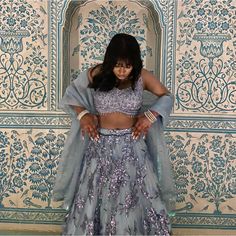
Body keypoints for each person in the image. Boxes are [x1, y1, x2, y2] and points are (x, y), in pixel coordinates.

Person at [53, 33, 176, 235]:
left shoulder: (141, 76)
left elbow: (167, 96)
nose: (121, 70)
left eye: (127, 66)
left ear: (134, 64)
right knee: (97, 194)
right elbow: (71, 95)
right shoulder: (97, 73)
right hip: (100, 145)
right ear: (109, 61)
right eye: (117, 64)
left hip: (132, 145)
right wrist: (83, 114)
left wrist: (150, 116)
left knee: (131, 195)